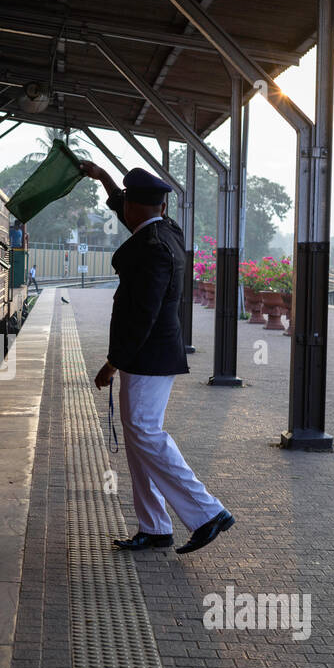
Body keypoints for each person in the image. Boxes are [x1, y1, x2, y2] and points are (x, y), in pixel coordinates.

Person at [78, 163, 235, 555]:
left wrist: (113, 362)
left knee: (146, 432)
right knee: (138, 438)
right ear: (162, 206)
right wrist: (102, 178)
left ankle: (207, 512)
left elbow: (142, 314)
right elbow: (126, 206)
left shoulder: (150, 249)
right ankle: (155, 526)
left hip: (148, 356)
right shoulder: (167, 232)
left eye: (126, 203)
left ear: (137, 208)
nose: (122, 209)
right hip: (151, 355)